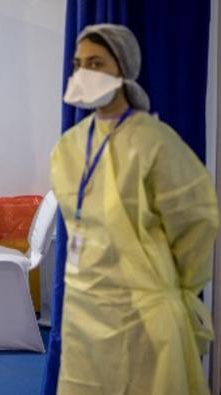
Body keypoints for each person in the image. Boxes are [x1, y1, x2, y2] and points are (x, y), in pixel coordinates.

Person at [51, 24, 219, 394]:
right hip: (84, 309)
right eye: (78, 64)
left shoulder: (154, 143)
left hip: (142, 313)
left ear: (123, 69)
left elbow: (196, 223)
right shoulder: (69, 147)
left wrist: (177, 286)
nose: (83, 74)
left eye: (96, 63)